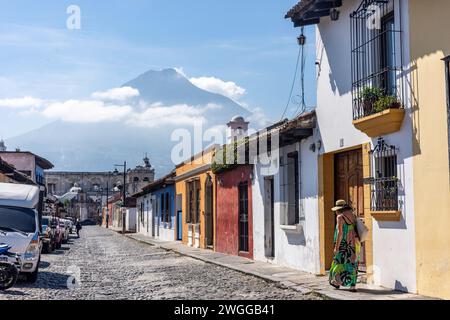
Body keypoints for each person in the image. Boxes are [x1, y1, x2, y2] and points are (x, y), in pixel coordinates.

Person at [329, 199, 361, 292]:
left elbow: (340, 233)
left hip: (343, 245)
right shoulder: (352, 215)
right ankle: (353, 286)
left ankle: (336, 282)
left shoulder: (340, 217)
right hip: (353, 245)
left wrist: (336, 247)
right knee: (352, 264)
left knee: (338, 263)